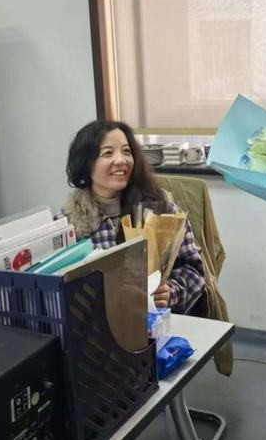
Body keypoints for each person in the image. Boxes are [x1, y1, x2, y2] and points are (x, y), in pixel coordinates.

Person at [63, 119, 205, 312]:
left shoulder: (162, 210)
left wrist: (171, 291)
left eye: (127, 151)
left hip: (156, 322)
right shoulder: (69, 223)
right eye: (108, 153)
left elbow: (196, 271)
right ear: (86, 163)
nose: (121, 160)